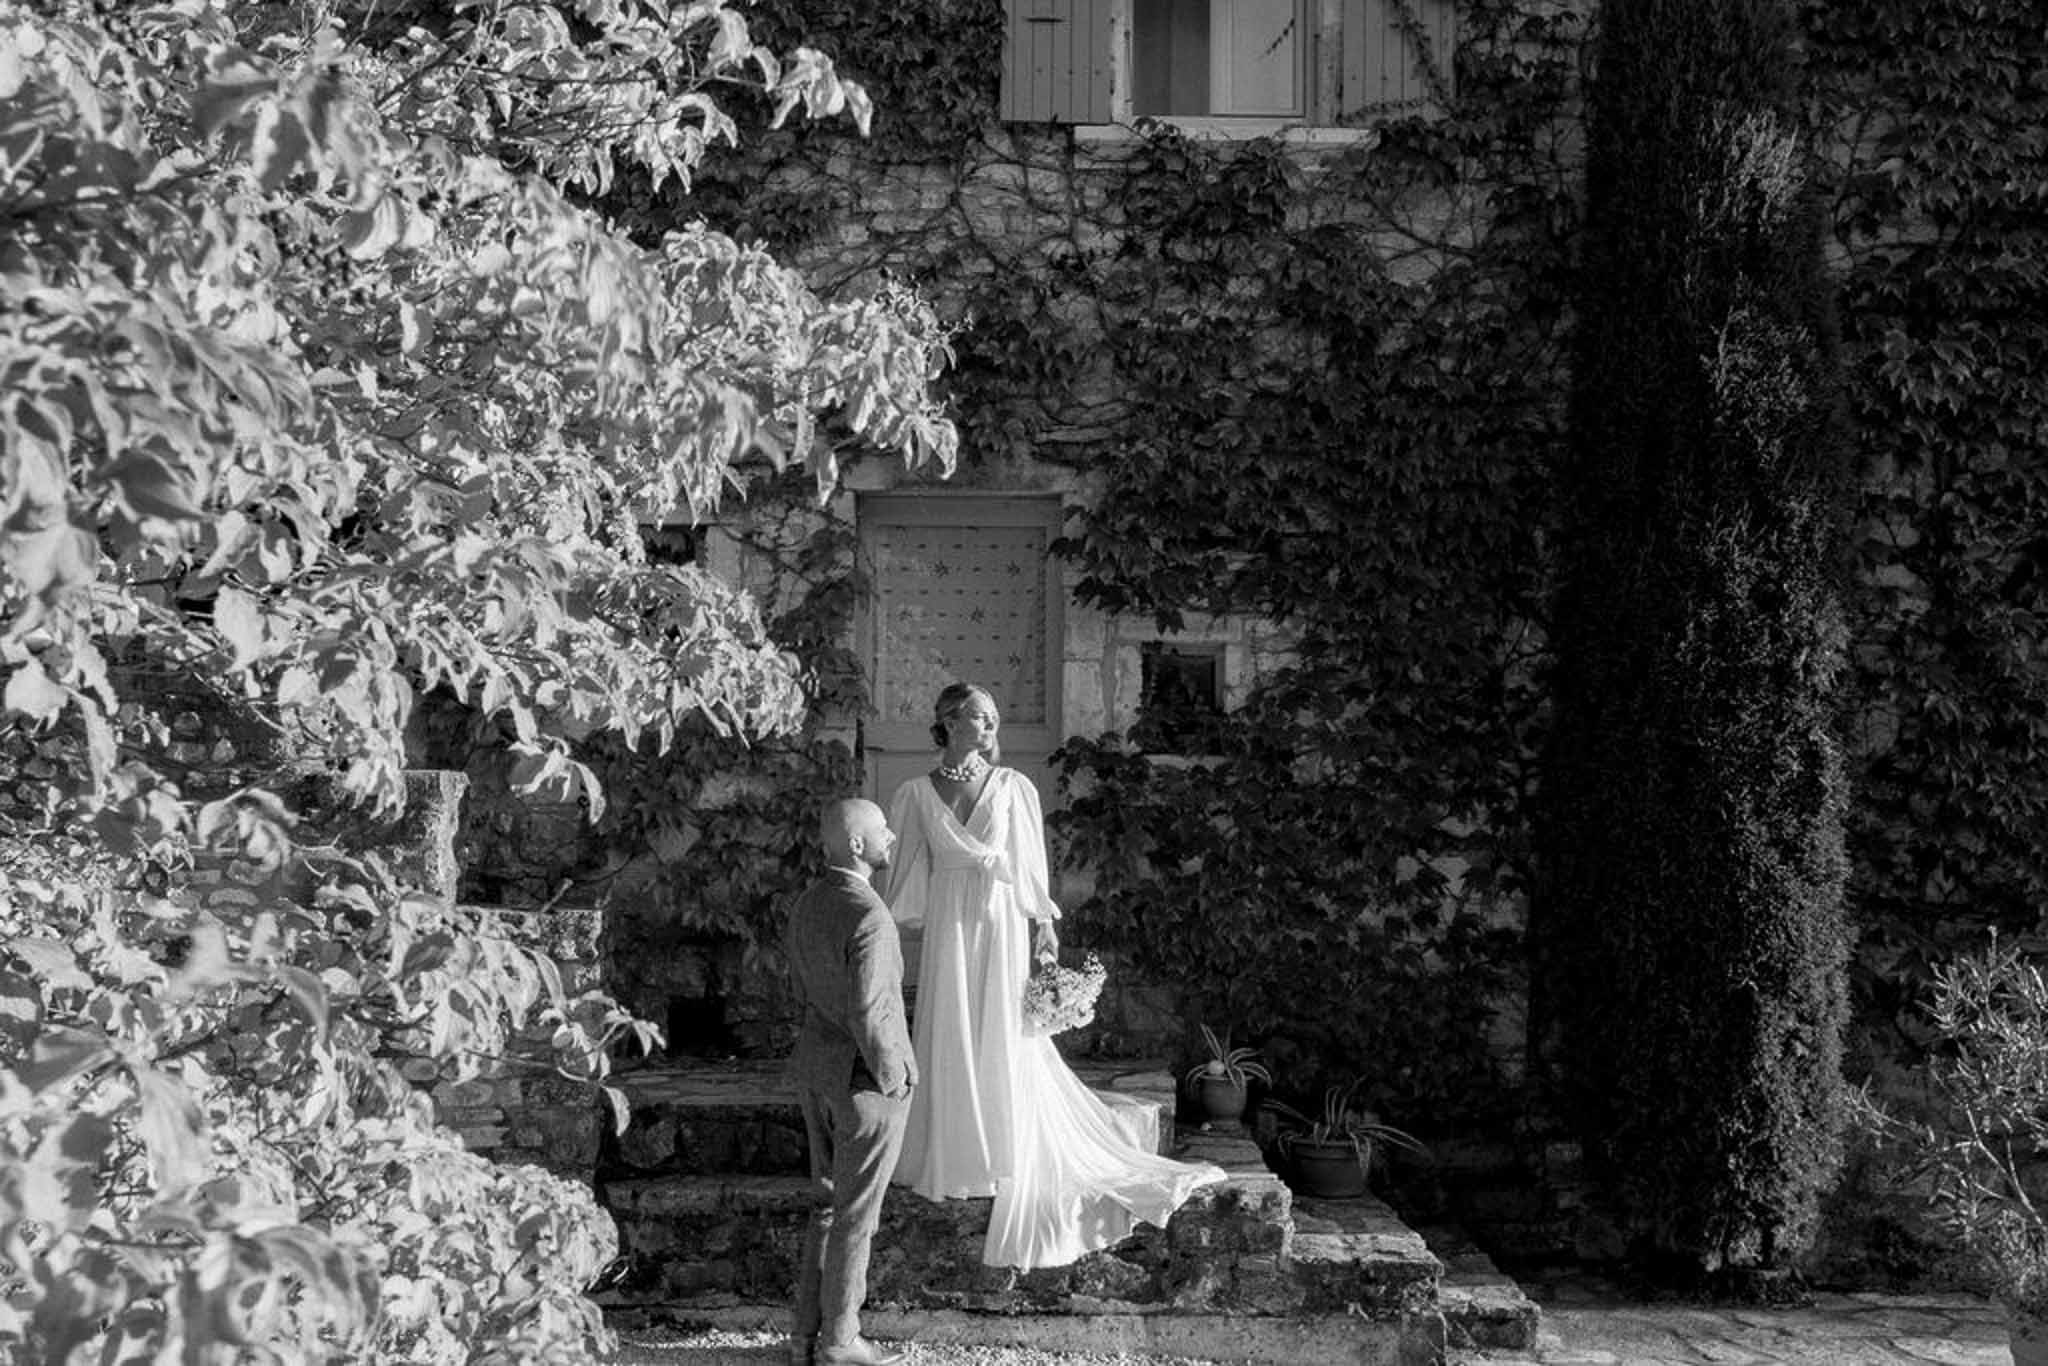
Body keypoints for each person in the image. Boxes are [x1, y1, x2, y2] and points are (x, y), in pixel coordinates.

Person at [885, 682, 1224, 1269]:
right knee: (950, 1023)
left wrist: (1045, 928)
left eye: (994, 717)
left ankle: (1004, 1147)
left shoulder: (1015, 787)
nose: (991, 726)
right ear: (947, 721)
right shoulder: (914, 793)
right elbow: (903, 874)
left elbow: (1030, 864)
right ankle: (954, 1152)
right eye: (979, 717)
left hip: (1000, 919)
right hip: (949, 924)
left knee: (1003, 1030)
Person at [784, 798, 916, 1366]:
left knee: (828, 1208)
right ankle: (839, 1342)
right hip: (863, 1082)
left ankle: (801, 1338)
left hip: (815, 1069)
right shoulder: (871, 915)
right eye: (882, 829)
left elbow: (803, 987)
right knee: (858, 1217)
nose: (891, 836)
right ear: (857, 845)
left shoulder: (808, 904)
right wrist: (895, 1076)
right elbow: (870, 1010)